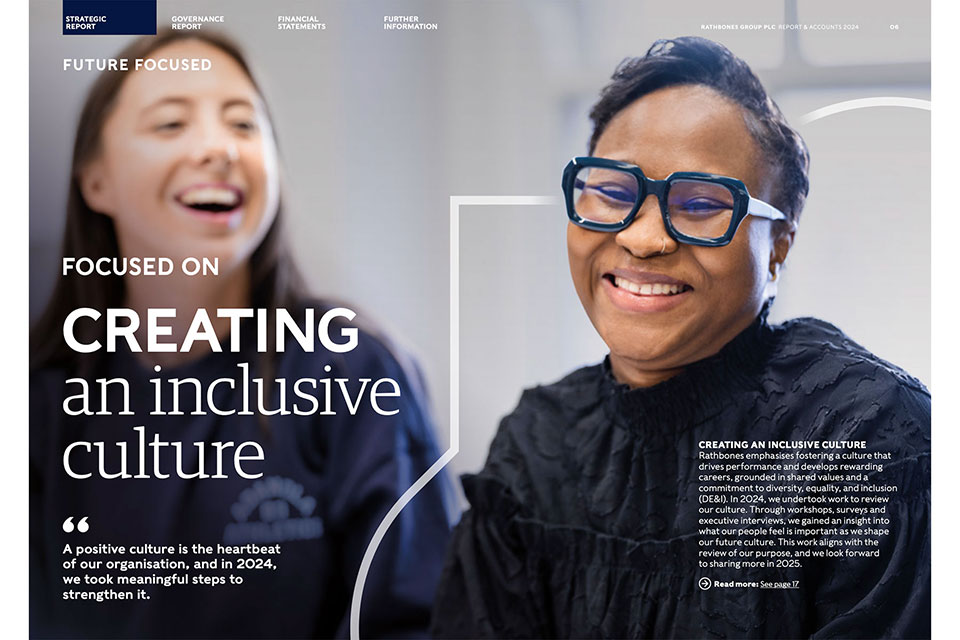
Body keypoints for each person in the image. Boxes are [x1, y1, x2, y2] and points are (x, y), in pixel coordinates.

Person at [432, 37, 929, 639]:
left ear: (777, 247)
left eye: (698, 204)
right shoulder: (538, 443)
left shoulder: (863, 438)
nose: (643, 239)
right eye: (613, 192)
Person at [30, 30, 453, 639]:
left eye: (244, 125)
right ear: (95, 181)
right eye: (171, 124)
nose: (219, 149)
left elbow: (418, 619)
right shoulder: (36, 408)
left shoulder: (354, 372)